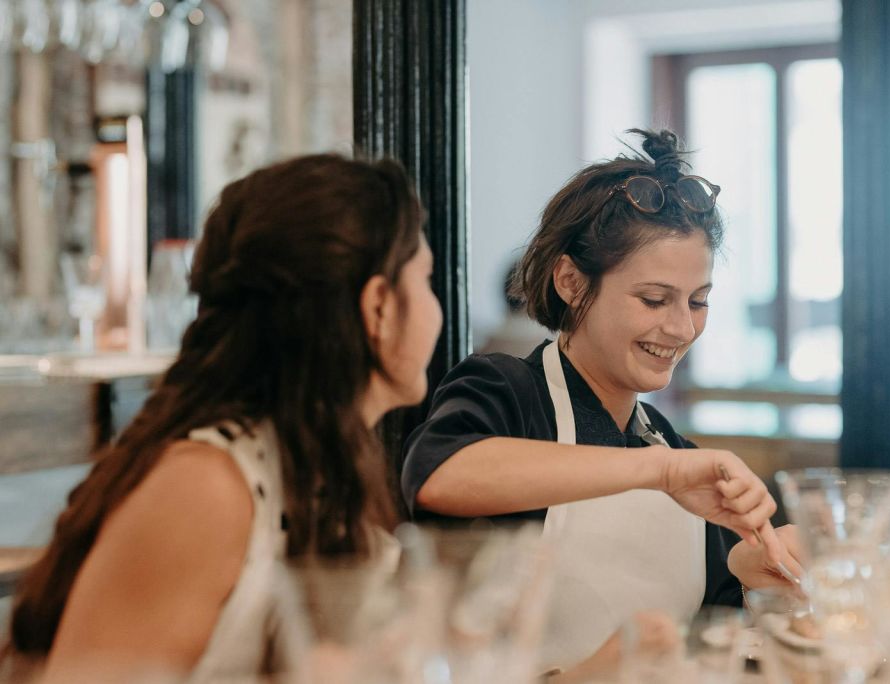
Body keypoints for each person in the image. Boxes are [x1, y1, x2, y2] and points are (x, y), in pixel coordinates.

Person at [2, 154, 442, 682]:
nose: (435, 306)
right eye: (426, 279)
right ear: (379, 308)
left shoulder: (320, 465)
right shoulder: (205, 488)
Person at [401, 129, 802, 681]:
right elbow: (438, 473)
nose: (682, 328)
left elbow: (703, 641)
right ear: (570, 281)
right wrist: (660, 471)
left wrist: (751, 574)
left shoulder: (672, 447)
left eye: (698, 301)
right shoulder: (507, 391)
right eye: (654, 299)